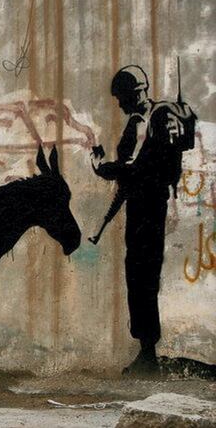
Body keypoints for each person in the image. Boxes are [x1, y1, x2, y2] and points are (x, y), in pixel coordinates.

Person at [91, 65, 171, 375]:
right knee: (141, 279)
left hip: (146, 215)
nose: (119, 104)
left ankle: (148, 354)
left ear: (134, 93)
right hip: (148, 211)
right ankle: (146, 351)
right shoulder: (150, 121)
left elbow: (129, 169)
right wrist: (101, 227)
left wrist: (100, 168)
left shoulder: (141, 123)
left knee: (141, 280)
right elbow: (127, 185)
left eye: (121, 97)